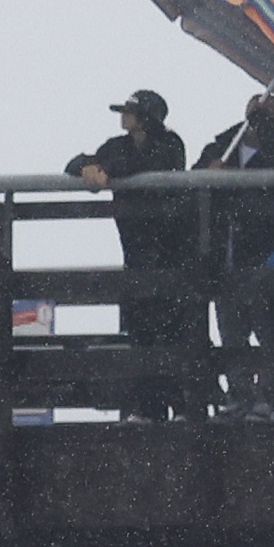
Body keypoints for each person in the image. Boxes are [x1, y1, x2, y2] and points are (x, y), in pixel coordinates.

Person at [68, 87, 198, 400]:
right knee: (141, 331)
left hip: (172, 252)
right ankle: (148, 407)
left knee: (174, 332)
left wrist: (107, 169)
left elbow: (154, 162)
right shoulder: (118, 146)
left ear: (147, 118)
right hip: (137, 254)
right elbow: (75, 163)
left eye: (131, 111)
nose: (124, 117)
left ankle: (180, 406)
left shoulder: (170, 143)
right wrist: (88, 166)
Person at [194, 92, 274, 401]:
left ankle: (272, 398)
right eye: (259, 113)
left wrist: (231, 177)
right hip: (225, 251)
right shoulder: (220, 148)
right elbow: (191, 186)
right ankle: (238, 395)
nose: (264, 120)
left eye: (272, 116)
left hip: (268, 253)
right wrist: (210, 173)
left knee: (270, 330)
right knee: (232, 329)